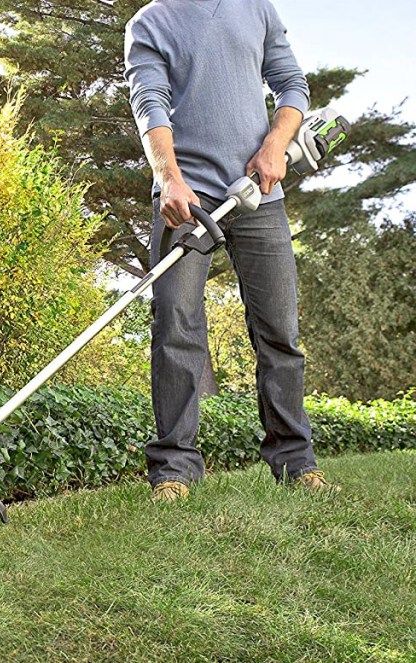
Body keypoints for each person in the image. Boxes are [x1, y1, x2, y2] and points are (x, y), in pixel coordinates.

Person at [122, 0, 338, 501]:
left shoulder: (255, 8)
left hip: (259, 194)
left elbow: (292, 85)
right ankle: (174, 469)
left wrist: (274, 145)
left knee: (279, 329)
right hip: (187, 200)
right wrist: (168, 178)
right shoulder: (150, 22)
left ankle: (295, 460)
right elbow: (148, 101)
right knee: (176, 324)